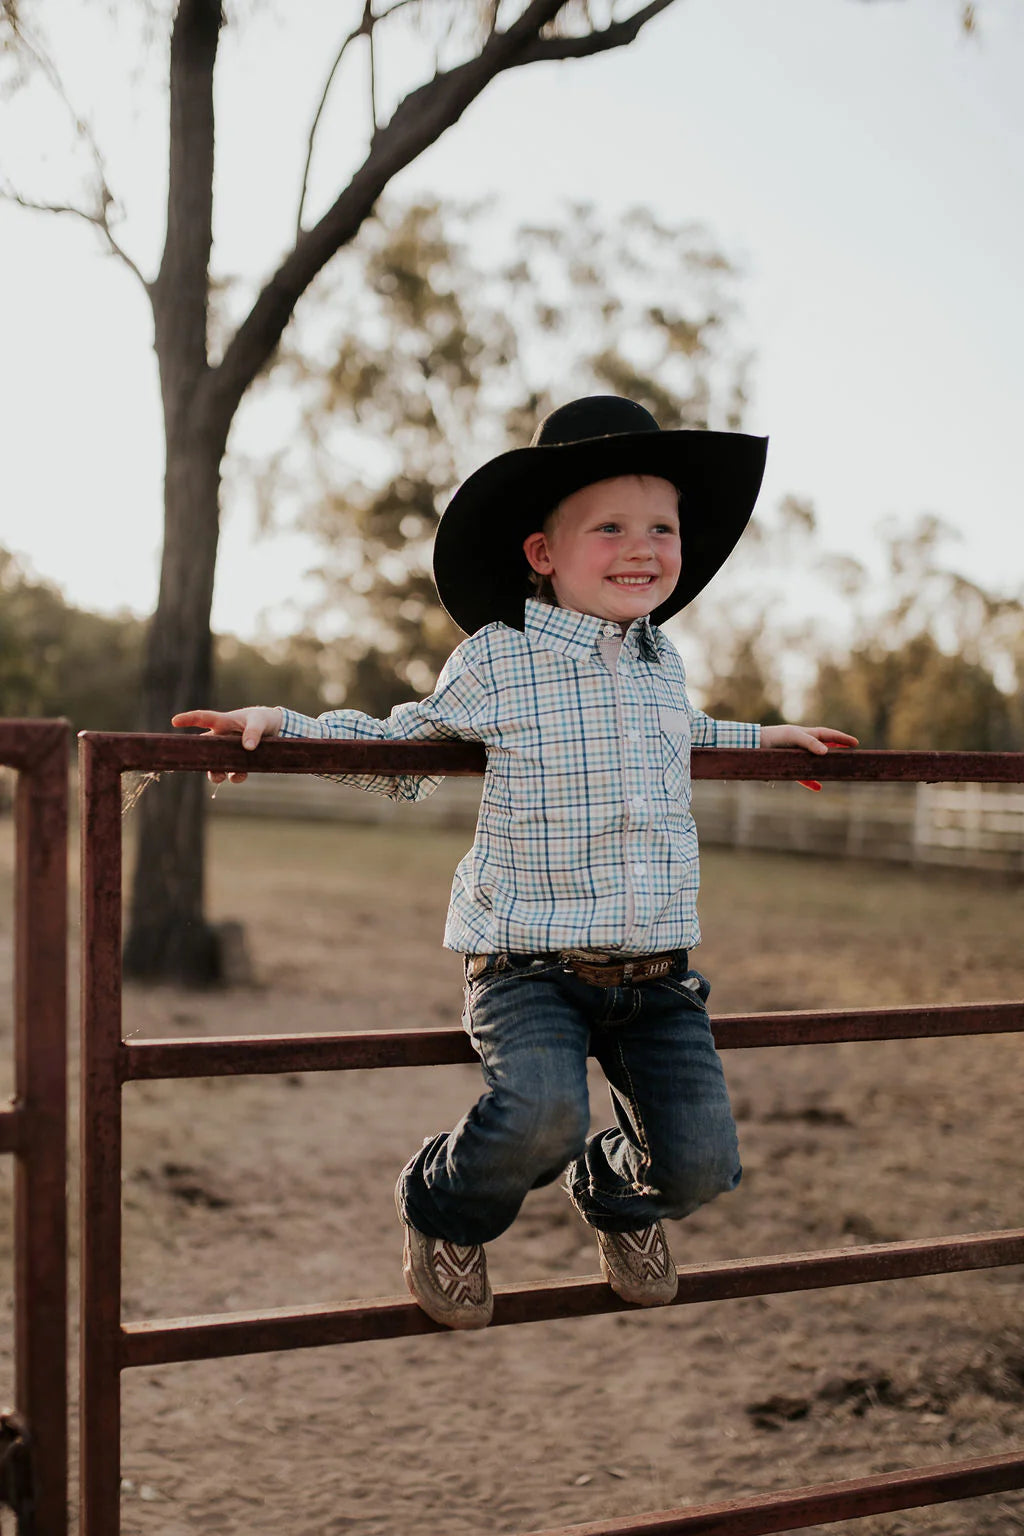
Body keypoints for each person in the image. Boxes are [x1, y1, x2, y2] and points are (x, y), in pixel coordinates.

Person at [173, 396, 857, 1331]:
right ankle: (441, 1203)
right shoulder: (500, 660)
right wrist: (281, 730)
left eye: (662, 527)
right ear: (543, 552)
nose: (643, 547)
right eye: (609, 527)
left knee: (702, 1164)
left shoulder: (664, 663)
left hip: (656, 974)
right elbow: (399, 745)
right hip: (527, 964)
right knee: (541, 1115)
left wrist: (761, 739)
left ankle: (617, 1192)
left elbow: (682, 735)